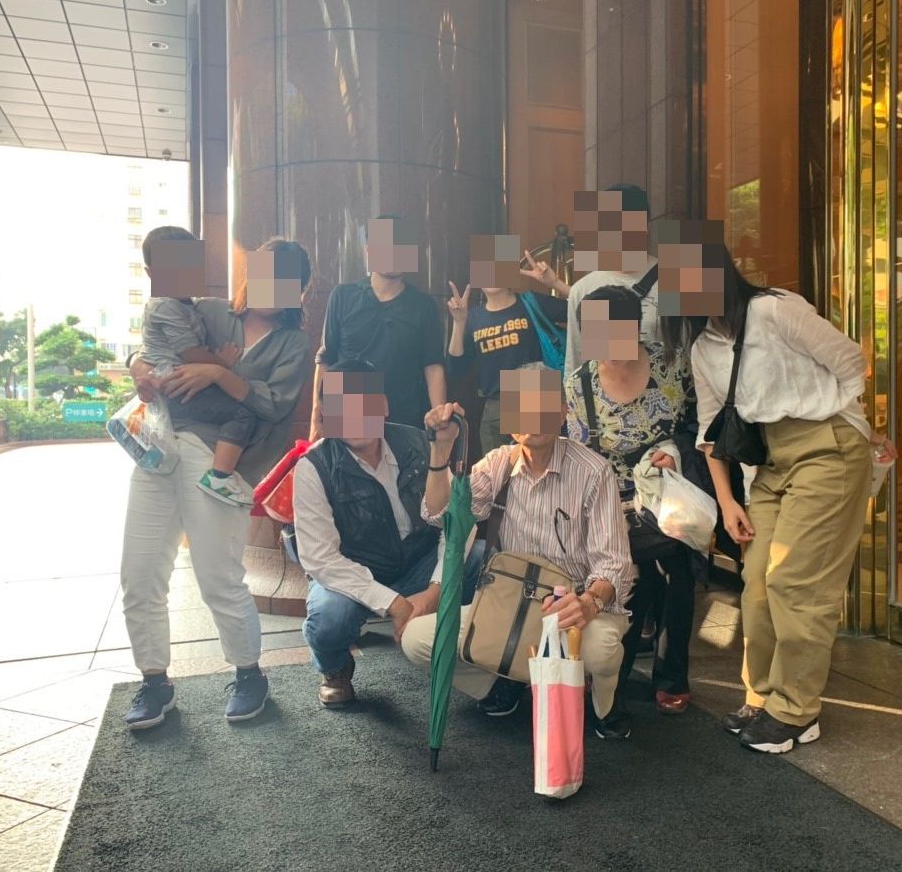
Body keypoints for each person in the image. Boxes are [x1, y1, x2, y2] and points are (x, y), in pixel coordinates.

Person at [691, 253, 896, 754]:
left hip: (827, 447)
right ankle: (762, 696)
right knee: (757, 583)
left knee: (796, 583)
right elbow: (711, 432)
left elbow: (850, 361)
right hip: (769, 464)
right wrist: (727, 502)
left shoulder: (774, 309)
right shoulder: (702, 347)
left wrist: (851, 423)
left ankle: (796, 710)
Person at [120, 237, 312, 730]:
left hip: (219, 464)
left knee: (218, 576)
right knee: (139, 573)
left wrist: (217, 373)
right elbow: (151, 343)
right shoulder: (208, 312)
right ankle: (154, 681)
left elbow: (273, 405)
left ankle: (248, 673)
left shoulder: (292, 344)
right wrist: (138, 369)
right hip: (159, 448)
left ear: (299, 291)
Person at [402, 364, 637, 739]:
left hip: (572, 607)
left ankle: (603, 706)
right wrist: (440, 449)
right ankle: (502, 683)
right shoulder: (499, 464)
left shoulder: (593, 471)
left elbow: (614, 563)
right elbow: (440, 514)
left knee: (603, 649)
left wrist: (589, 602)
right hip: (510, 605)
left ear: (562, 411)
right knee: (417, 639)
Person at [565, 285, 697, 715]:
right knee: (633, 572)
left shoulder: (674, 366)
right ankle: (612, 672)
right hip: (611, 504)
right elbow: (578, 458)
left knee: (676, 568)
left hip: (670, 495)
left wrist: (675, 451)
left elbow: (700, 426)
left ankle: (671, 674)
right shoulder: (578, 385)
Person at [294, 359, 451, 707]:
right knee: (329, 617)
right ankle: (334, 668)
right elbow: (321, 559)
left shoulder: (417, 442)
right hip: (355, 571)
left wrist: (435, 590)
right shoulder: (313, 467)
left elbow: (453, 523)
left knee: (477, 560)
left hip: (418, 562)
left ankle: (456, 651)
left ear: (383, 405)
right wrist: (394, 603)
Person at [139, 226, 258, 507]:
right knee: (242, 416)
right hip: (175, 386)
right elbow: (191, 352)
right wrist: (223, 365)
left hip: (173, 384)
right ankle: (219, 477)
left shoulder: (188, 305)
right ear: (151, 273)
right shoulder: (165, 306)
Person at [310, 215, 446, 437]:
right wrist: (317, 419)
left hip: (405, 423)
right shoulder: (342, 295)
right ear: (369, 251)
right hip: (348, 420)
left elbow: (433, 366)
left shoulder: (424, 305)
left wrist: (439, 424)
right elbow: (326, 358)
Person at [445, 262, 568, 454]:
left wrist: (556, 283)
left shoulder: (530, 302)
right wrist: (459, 322)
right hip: (496, 404)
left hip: (536, 394)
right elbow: (456, 368)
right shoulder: (474, 316)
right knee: (499, 472)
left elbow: (590, 308)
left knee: (544, 468)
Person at [563, 183, 660, 375]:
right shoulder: (583, 290)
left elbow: (688, 353)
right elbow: (576, 363)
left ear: (645, 227)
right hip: (604, 394)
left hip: (664, 391)